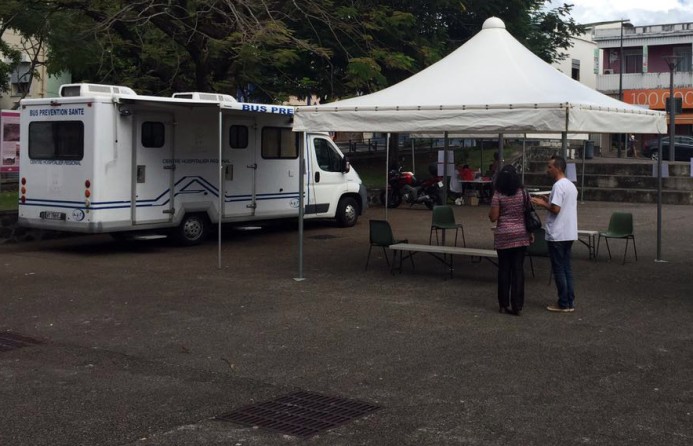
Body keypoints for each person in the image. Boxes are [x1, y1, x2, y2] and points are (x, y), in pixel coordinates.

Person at [531, 155, 578, 313]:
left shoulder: (558, 186)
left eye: (550, 167)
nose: (548, 170)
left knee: (558, 268)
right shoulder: (570, 185)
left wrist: (543, 203)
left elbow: (556, 210)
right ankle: (569, 301)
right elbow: (562, 205)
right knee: (567, 268)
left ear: (558, 167)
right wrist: (548, 200)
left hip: (558, 233)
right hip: (569, 232)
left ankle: (563, 302)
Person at [488, 165, 532, 316]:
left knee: (504, 269)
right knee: (518, 269)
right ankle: (517, 305)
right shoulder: (523, 193)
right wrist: (530, 233)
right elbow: (528, 212)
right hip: (521, 234)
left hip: (503, 236)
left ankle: (503, 304)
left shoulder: (498, 195)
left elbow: (493, 217)